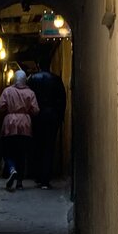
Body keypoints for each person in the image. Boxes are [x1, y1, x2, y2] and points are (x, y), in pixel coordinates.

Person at [28, 49, 67, 189]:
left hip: (36, 116)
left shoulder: (32, 79)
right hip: (52, 116)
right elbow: (62, 99)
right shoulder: (56, 79)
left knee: (37, 145)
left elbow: (28, 98)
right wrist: (60, 116)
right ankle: (46, 179)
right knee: (49, 147)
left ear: (38, 64)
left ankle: (38, 176)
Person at [0, 68, 39, 191]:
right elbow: (35, 110)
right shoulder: (30, 93)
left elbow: (0, 107)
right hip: (25, 124)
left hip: (10, 124)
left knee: (7, 151)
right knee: (22, 153)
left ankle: (11, 169)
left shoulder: (7, 91)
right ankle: (19, 182)